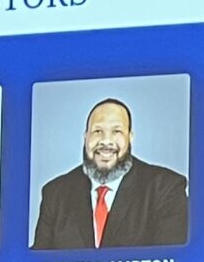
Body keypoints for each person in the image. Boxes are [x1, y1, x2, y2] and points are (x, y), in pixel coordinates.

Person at [30, 98, 190, 250]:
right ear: (85, 137)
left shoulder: (166, 189)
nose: (106, 141)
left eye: (116, 131)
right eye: (97, 131)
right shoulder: (55, 194)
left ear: (130, 137)